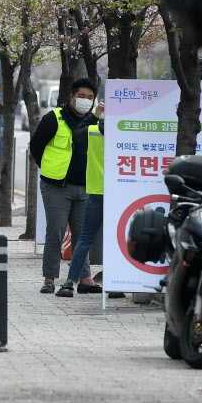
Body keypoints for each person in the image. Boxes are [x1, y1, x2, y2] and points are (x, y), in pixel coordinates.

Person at [29, 77, 103, 294]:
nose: (85, 101)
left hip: (86, 186)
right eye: (81, 96)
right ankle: (50, 279)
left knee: (83, 235)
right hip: (56, 186)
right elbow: (36, 146)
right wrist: (50, 169)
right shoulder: (54, 118)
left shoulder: (94, 120)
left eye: (90, 97)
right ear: (71, 97)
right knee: (56, 232)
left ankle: (85, 278)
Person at [56, 107, 125, 299]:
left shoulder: (93, 130)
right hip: (118, 193)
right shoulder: (126, 134)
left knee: (85, 239)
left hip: (96, 192)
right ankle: (115, 285)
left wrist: (94, 114)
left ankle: (69, 284)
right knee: (115, 240)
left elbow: (77, 131)